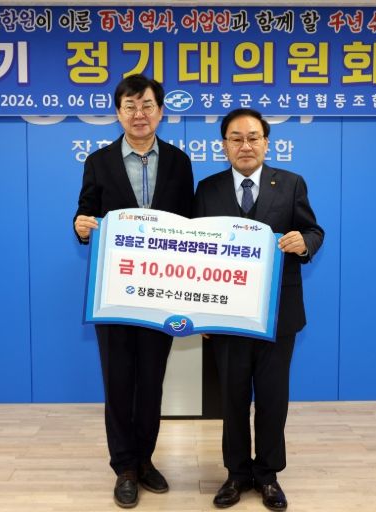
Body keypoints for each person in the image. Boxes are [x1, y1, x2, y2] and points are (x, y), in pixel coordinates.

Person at [73, 74, 194, 508]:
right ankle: (123, 466)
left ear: (160, 112)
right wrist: (81, 227)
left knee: (152, 381)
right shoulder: (99, 161)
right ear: (118, 113)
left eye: (147, 105)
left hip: (163, 293)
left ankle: (145, 459)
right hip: (115, 292)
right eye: (130, 106)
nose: (139, 114)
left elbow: (190, 226)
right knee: (119, 381)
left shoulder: (179, 162)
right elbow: (85, 213)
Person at [194, 108, 324, 511]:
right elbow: (195, 252)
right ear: (224, 146)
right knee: (231, 399)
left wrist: (304, 243)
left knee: (272, 397)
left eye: (253, 137)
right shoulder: (207, 189)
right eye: (236, 138)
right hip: (226, 315)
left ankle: (268, 475)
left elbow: (314, 230)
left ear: (267, 143)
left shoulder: (291, 183)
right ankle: (236, 474)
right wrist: (200, 312)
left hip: (278, 313)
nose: (245, 145)